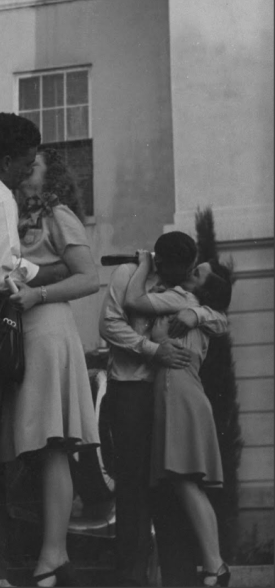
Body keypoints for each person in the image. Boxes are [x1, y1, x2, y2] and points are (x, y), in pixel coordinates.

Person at [0, 146, 101, 587]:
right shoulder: (5, 211)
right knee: (14, 446)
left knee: (50, 443)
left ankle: (52, 555)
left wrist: (39, 294)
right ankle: (24, 555)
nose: (29, 169)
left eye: (38, 164)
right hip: (10, 335)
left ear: (51, 176)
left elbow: (88, 277)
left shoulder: (58, 213)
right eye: (26, 163)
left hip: (44, 331)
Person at [99, 231, 229, 587]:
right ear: (162, 260)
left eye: (191, 268)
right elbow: (110, 324)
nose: (185, 272)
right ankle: (132, 579)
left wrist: (198, 312)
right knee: (133, 489)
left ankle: (181, 578)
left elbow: (220, 316)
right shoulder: (128, 275)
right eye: (182, 267)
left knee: (173, 488)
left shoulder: (184, 295)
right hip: (131, 390)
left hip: (169, 396)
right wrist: (153, 350)